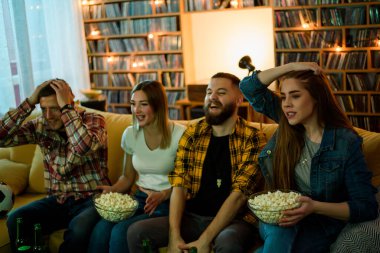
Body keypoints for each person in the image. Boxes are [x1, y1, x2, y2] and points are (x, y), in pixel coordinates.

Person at [239, 62, 379, 253]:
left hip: (319, 225)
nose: (286, 103)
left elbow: (365, 206)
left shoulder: (345, 142)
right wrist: (292, 67)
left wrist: (314, 207)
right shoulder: (288, 122)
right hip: (276, 218)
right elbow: (248, 87)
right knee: (281, 233)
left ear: (317, 98)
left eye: (295, 96)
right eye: (283, 97)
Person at [127, 72, 265, 253]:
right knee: (136, 232)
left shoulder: (253, 138)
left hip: (233, 221)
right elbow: (179, 184)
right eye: (209, 92)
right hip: (192, 217)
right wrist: (173, 235)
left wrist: (204, 240)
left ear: (239, 99)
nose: (212, 97)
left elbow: (239, 196)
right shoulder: (193, 133)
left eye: (221, 92)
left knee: (228, 243)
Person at [1, 79, 110, 253]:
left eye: (55, 108)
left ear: (69, 104)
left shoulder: (93, 119)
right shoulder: (40, 125)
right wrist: (29, 102)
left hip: (92, 199)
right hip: (58, 200)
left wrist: (66, 110)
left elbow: (83, 146)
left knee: (79, 229)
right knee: (16, 219)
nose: (48, 115)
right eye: (44, 109)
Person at [87, 80, 186, 253]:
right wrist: (112, 189)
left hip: (169, 202)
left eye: (143, 104)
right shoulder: (130, 134)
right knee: (101, 230)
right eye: (133, 104)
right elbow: (127, 177)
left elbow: (187, 183)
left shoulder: (180, 134)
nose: (136, 110)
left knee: (120, 232)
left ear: (158, 105)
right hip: (139, 199)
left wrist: (163, 194)